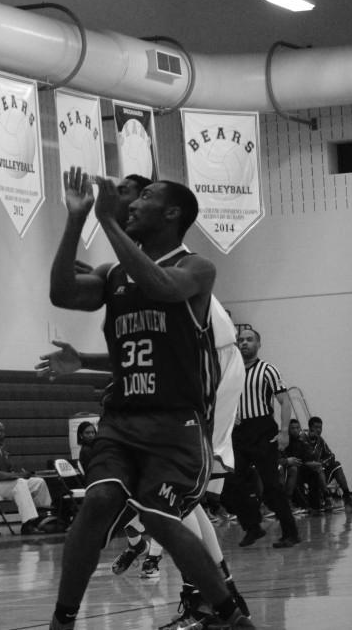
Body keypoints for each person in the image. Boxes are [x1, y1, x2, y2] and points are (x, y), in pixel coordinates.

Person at [45, 169, 253, 629]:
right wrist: (77, 221)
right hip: (122, 419)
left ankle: (227, 612)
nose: (131, 204)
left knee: (160, 516)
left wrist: (111, 223)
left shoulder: (197, 267)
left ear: (171, 212)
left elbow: (162, 289)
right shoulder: (113, 273)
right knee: (97, 503)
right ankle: (63, 620)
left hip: (176, 421)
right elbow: (61, 293)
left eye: (143, 198)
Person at [231, 327, 300, 548]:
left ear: (258, 344)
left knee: (271, 486)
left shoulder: (268, 370)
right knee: (232, 482)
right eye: (241, 340)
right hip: (240, 433)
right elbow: (222, 398)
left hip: (263, 430)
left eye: (249, 340)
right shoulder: (230, 371)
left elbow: (285, 401)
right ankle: (253, 527)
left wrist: (284, 432)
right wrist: (231, 415)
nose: (244, 343)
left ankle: (291, 533)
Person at [0, 422, 52, 534]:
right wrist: (18, 476)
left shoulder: (2, 451)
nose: (0, 434)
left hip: (4, 485)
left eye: (2, 431)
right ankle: (27, 524)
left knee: (39, 482)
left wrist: (21, 474)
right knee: (20, 483)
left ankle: (43, 519)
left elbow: (10, 471)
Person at [301, 416, 352, 510]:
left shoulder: (320, 440)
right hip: (306, 472)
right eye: (316, 427)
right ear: (310, 428)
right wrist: (316, 464)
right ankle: (327, 497)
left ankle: (347, 496)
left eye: (320, 427)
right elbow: (302, 458)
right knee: (318, 468)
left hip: (320, 471)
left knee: (337, 464)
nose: (319, 430)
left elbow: (331, 455)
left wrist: (322, 463)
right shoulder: (302, 439)